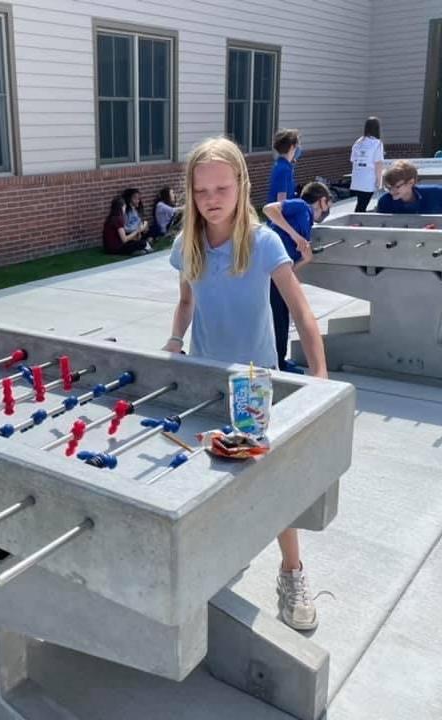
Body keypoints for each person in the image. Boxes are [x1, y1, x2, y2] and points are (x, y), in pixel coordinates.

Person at [164, 137, 328, 631]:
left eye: (221, 187)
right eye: (200, 190)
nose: (211, 198)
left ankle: (292, 570)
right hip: (204, 375)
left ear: (241, 185)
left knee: (267, 479)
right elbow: (188, 304)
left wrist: (319, 375)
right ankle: (219, 555)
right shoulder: (184, 245)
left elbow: (299, 308)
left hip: (254, 379)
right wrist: (174, 339)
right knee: (210, 471)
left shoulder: (263, 242)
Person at [263, 182, 334, 372]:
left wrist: (306, 258)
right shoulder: (302, 206)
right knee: (278, 317)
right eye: (328, 205)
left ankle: (279, 358)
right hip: (267, 268)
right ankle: (279, 362)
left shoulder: (307, 220)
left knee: (281, 315)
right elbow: (269, 209)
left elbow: (291, 268)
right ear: (322, 201)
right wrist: (295, 235)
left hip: (279, 272)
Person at [376, 160, 442, 214]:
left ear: (411, 182)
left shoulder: (437, 194)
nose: (392, 191)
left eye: (397, 186)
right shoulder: (385, 202)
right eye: (389, 187)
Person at [350, 116, 384, 212]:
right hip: (368, 179)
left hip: (357, 178)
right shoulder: (377, 143)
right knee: (362, 205)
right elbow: (378, 163)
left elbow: (353, 160)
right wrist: (379, 180)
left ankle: (356, 222)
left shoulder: (358, 142)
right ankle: (356, 223)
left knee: (361, 203)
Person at [266, 129, 301, 204]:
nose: (298, 149)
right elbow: (281, 201)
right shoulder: (284, 170)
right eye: (297, 146)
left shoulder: (280, 164)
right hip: (280, 214)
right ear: (292, 147)